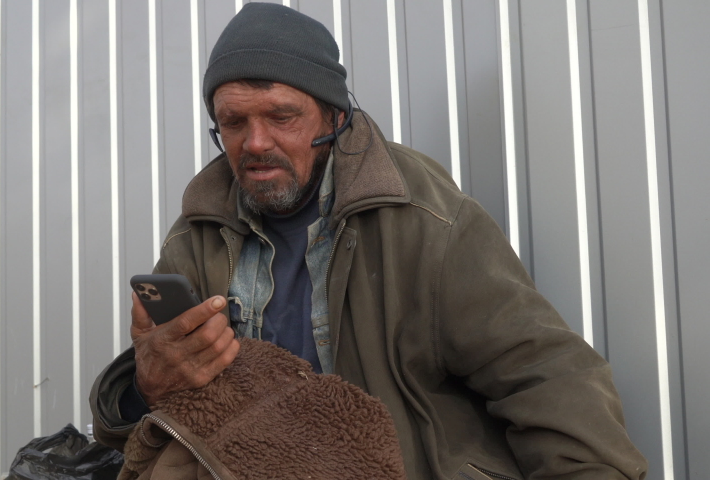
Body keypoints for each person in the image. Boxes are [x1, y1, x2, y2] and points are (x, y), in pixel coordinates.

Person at [90, 3, 648, 478]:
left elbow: (546, 376)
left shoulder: (423, 217)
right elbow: (154, 419)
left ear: (334, 115)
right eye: (233, 122)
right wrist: (146, 383)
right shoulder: (197, 232)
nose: (255, 142)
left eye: (282, 116)